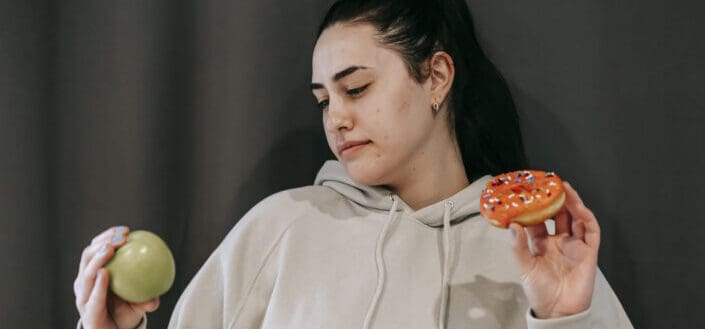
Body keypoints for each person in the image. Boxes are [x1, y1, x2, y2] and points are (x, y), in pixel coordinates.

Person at [74, 0, 634, 328]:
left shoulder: (536, 250)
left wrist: (567, 318)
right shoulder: (281, 228)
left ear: (436, 77)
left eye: (357, 88)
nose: (336, 119)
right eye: (323, 100)